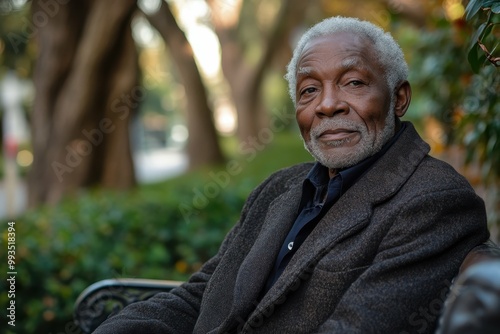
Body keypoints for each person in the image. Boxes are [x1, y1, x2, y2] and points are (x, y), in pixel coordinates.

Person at [93, 16, 489, 333]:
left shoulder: (435, 202)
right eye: (309, 90)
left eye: (353, 83)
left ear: (398, 98)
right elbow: (201, 296)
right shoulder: (279, 188)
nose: (328, 105)